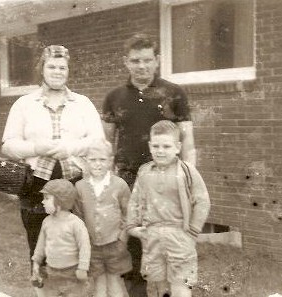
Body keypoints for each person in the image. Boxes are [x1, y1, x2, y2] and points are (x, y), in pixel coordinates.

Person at [1, 45, 104, 296]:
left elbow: (98, 139)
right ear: (42, 69)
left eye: (62, 67)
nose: (57, 71)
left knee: (78, 247)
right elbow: (8, 145)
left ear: (68, 70)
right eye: (51, 66)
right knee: (39, 248)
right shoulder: (25, 104)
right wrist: (37, 147)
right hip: (37, 186)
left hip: (75, 183)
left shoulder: (82, 103)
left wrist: (70, 147)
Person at [102, 33, 196, 296]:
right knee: (132, 241)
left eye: (146, 60)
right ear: (126, 62)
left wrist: (188, 180)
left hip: (166, 180)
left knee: (166, 243)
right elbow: (106, 144)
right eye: (135, 61)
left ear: (157, 61)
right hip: (128, 180)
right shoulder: (114, 97)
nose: (141, 66)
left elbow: (188, 143)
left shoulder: (174, 93)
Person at [126, 120, 210, 297]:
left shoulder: (187, 171)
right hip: (152, 236)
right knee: (156, 285)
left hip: (179, 234)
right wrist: (132, 227)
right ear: (149, 146)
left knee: (181, 284)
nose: (160, 150)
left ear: (178, 147)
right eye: (156, 146)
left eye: (166, 146)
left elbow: (202, 201)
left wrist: (192, 232)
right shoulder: (144, 171)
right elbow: (134, 200)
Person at [74, 139, 132, 297]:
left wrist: (122, 239)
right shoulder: (80, 187)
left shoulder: (120, 185)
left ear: (110, 161)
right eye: (93, 160)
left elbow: (129, 214)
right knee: (98, 285)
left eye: (102, 160)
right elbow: (78, 219)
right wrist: (84, 244)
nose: (97, 164)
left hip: (115, 245)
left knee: (115, 283)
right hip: (93, 246)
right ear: (86, 161)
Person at [31, 179, 91, 297]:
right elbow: (40, 245)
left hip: (72, 273)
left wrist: (83, 268)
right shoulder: (46, 222)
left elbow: (85, 247)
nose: (43, 202)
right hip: (52, 271)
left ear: (59, 202)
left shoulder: (75, 223)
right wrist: (36, 263)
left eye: (47, 198)